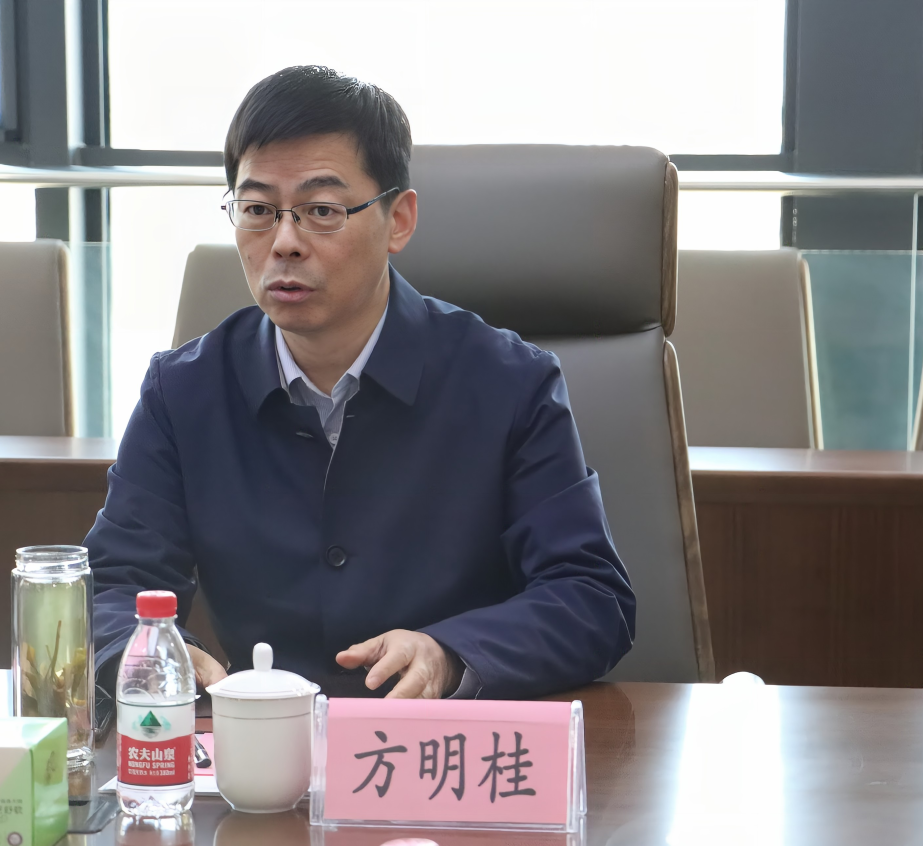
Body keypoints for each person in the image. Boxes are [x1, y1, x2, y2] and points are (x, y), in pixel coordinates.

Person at [86, 65, 635, 701]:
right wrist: (151, 649)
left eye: (321, 211)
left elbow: (589, 598)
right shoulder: (183, 392)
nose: (284, 243)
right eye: (257, 210)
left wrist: (450, 655)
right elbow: (112, 584)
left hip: (441, 745)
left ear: (398, 220)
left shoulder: (510, 382)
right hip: (264, 745)